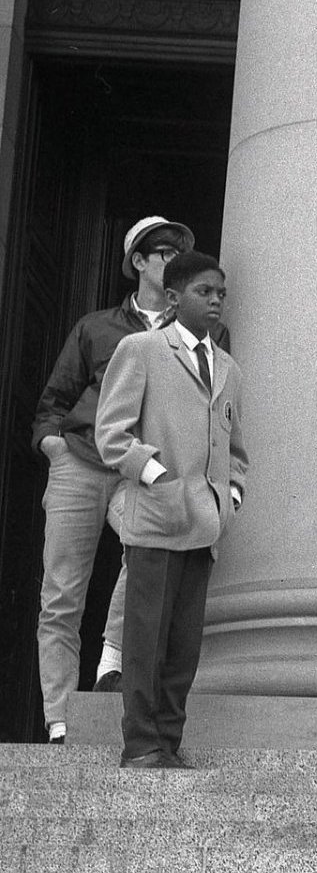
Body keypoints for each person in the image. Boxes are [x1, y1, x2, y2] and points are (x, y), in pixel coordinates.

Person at [30, 215, 209, 742]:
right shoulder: (96, 326)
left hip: (141, 472)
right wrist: (53, 445)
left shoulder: (197, 332)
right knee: (61, 592)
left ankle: (111, 658)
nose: (176, 257)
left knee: (147, 558)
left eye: (182, 250)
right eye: (165, 251)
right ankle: (60, 723)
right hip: (81, 461)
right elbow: (53, 401)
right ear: (139, 262)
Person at [91, 251, 244, 770]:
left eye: (221, 293)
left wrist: (232, 495)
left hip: (204, 524)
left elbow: (235, 449)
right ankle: (141, 743)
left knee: (183, 646)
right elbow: (111, 433)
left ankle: (169, 742)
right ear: (175, 298)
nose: (216, 301)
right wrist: (157, 476)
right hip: (156, 519)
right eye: (205, 292)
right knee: (146, 638)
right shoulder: (142, 349)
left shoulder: (228, 368)